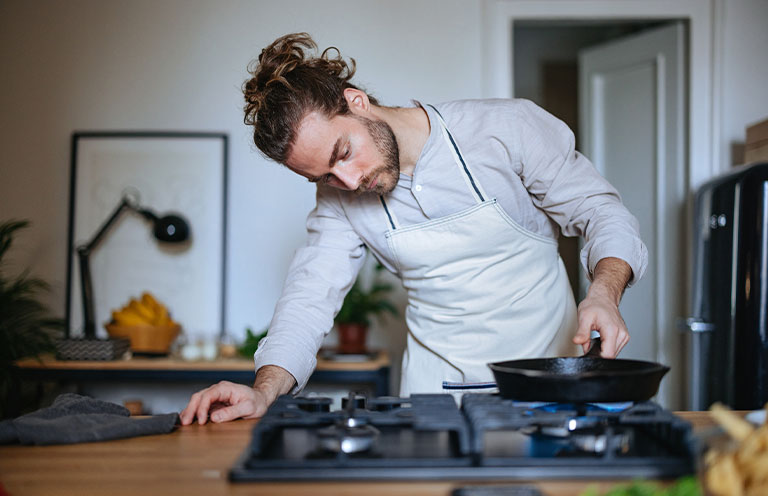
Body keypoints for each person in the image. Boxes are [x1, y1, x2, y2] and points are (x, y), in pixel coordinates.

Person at [180, 32, 647, 425]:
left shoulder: (503, 128)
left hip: (548, 382)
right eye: (321, 175)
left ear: (357, 103)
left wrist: (604, 293)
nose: (346, 182)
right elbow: (308, 300)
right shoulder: (339, 199)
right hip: (435, 399)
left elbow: (600, 211)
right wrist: (262, 393)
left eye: (342, 153)